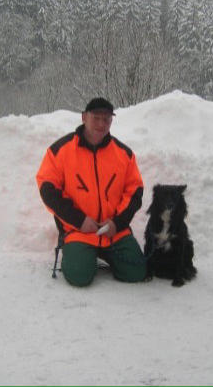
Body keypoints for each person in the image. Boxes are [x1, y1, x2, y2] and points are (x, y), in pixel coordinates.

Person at [36, 97, 146, 286]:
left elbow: (134, 191)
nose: (101, 124)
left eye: (107, 119)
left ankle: (101, 254)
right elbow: (48, 190)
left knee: (137, 272)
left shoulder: (124, 154)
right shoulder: (60, 150)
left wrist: (117, 223)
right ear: (84, 117)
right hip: (78, 231)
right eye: (96, 118)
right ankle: (81, 255)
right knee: (79, 276)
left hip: (113, 231)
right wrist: (79, 220)